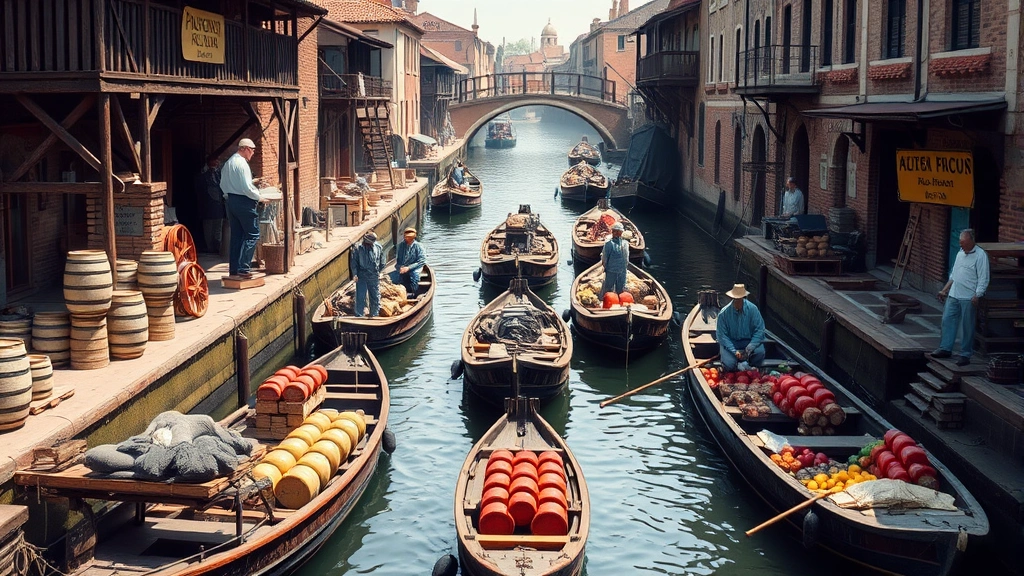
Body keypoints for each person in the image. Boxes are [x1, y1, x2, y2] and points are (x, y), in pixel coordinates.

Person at [933, 229, 989, 366]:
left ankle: (965, 354)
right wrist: (944, 290)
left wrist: (978, 294)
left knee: (967, 326)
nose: (961, 245)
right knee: (947, 320)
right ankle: (945, 348)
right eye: (960, 242)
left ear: (971, 241)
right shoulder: (959, 253)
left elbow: (984, 278)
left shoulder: (980, 256)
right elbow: (954, 275)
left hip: (968, 296)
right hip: (954, 294)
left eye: (963, 243)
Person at [219, 138, 265, 278]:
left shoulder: (228, 163)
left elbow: (223, 184)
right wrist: (260, 197)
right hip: (244, 202)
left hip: (230, 201)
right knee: (252, 234)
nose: (252, 154)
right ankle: (244, 268)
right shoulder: (242, 164)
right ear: (244, 148)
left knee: (237, 236)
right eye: (252, 150)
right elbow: (246, 188)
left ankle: (234, 269)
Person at [716, 284, 766, 372]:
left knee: (760, 353)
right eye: (735, 299)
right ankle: (739, 366)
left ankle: (751, 366)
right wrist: (734, 351)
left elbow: (759, 330)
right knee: (729, 364)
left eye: (740, 299)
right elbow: (722, 336)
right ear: (732, 299)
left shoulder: (753, 309)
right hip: (731, 342)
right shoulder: (723, 313)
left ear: (743, 298)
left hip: (749, 341)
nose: (738, 302)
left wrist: (749, 348)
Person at [351, 231, 386, 317]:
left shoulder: (378, 247)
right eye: (368, 243)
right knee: (360, 296)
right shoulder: (357, 248)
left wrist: (378, 272)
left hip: (373, 275)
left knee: (375, 296)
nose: (369, 245)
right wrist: (355, 274)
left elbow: (382, 262)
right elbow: (354, 263)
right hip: (361, 275)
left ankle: (374, 314)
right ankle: (359, 315)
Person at [196, 159, 225, 254]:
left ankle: (216, 248)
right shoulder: (203, 177)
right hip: (207, 207)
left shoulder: (219, 176)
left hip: (218, 206)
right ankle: (211, 248)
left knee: (217, 229)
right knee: (209, 229)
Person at [393, 227, 426, 295]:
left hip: (415, 267)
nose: (407, 239)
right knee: (395, 278)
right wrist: (401, 267)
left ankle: (414, 294)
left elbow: (422, 261)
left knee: (414, 276)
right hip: (403, 266)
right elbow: (399, 260)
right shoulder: (401, 245)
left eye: (409, 237)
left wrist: (409, 268)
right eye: (406, 237)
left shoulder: (419, 246)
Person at [600, 222, 629, 297]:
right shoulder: (609, 244)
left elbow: (626, 257)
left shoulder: (625, 243)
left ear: (621, 232)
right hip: (611, 270)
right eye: (614, 231)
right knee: (608, 289)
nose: (616, 233)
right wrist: (605, 267)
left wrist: (625, 267)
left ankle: (619, 301)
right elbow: (605, 257)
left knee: (621, 288)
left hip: (622, 270)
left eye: (618, 231)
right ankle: (606, 301)